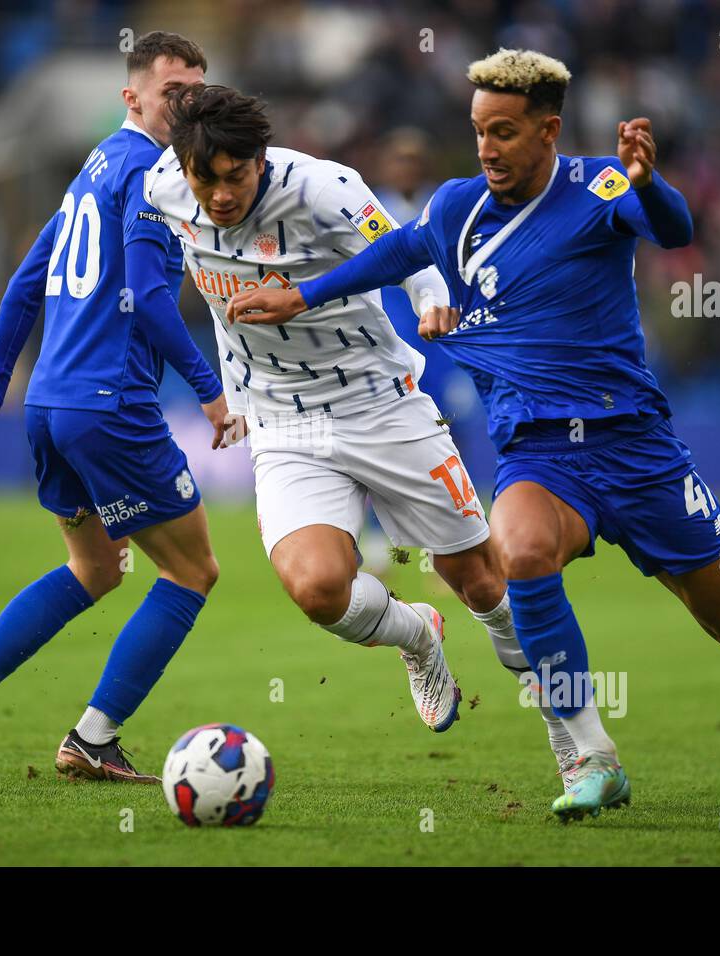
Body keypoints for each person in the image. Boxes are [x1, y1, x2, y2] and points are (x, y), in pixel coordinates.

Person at [226, 49, 720, 824]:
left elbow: (672, 231)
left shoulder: (599, 189)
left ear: (549, 131)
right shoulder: (458, 206)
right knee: (516, 553)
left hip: (637, 449)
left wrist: (650, 183)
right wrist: (304, 294)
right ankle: (591, 753)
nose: (486, 148)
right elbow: (400, 252)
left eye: (505, 133)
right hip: (541, 452)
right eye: (480, 130)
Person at [146, 83, 580, 776]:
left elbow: (411, 252)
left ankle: (572, 742)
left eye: (236, 176)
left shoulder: (326, 188)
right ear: (183, 168)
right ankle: (417, 637)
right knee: (318, 588)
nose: (221, 195)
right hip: (283, 419)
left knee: (480, 582)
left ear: (260, 158)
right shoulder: (164, 185)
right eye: (207, 179)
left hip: (381, 406)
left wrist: (435, 304)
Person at [0, 32, 227, 785]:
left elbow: (25, 282)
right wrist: (208, 391)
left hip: (50, 404)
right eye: (174, 91)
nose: (188, 105)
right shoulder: (150, 172)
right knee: (193, 571)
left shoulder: (92, 170)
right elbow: (150, 299)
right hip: (110, 405)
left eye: (197, 92)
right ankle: (93, 737)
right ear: (133, 97)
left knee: (96, 567)